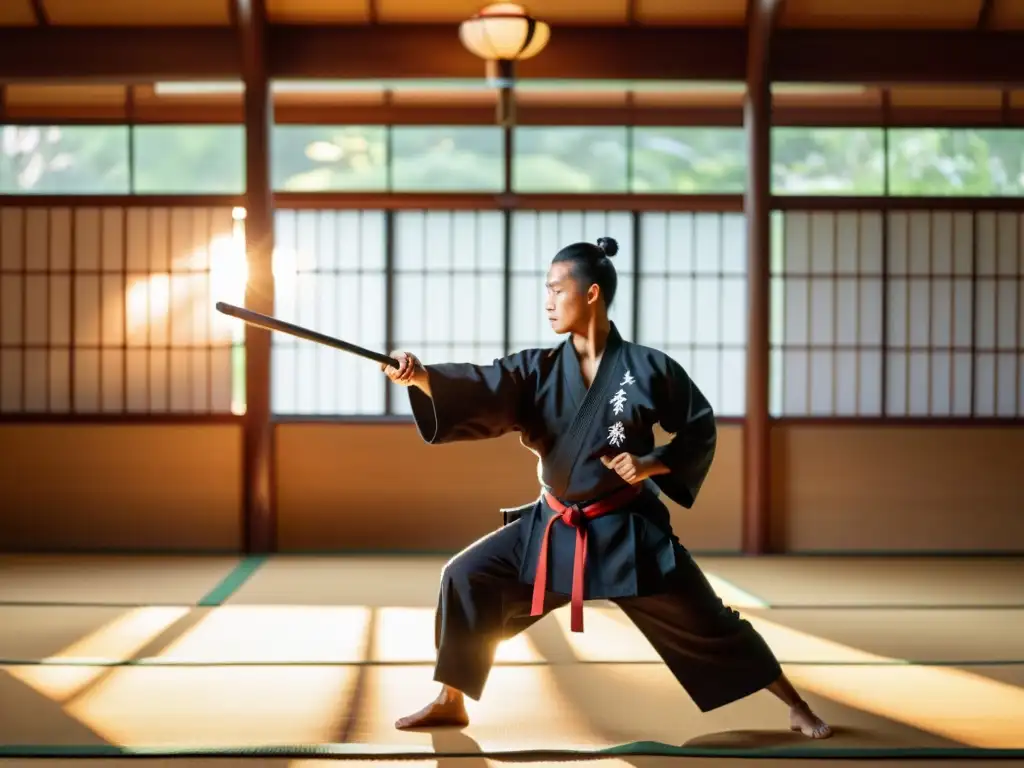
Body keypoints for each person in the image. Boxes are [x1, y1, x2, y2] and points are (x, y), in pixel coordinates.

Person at [381, 236, 832, 740]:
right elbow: (484, 385)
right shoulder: (537, 370)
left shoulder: (647, 368)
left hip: (628, 534)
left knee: (710, 621)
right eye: (545, 290)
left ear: (591, 293)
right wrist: (422, 377)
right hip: (553, 528)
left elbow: (699, 427)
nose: (548, 300)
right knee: (465, 575)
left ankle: (796, 705)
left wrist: (652, 463)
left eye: (557, 289)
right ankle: (451, 699)